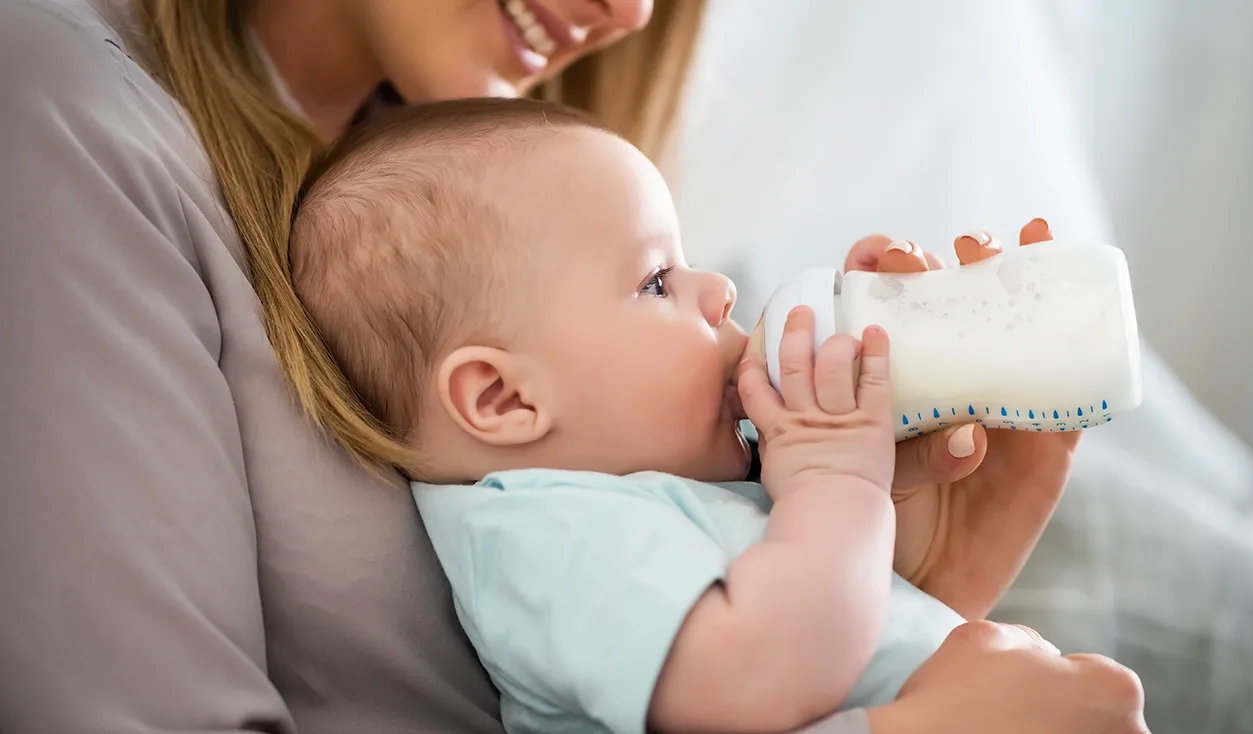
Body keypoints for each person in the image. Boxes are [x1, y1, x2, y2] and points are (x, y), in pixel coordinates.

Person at [0, 1, 1145, 732]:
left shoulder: (487, 199)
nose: (629, 13)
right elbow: (750, 671)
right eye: (659, 282)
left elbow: (759, 664)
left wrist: (925, 565)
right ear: (495, 396)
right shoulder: (66, 114)